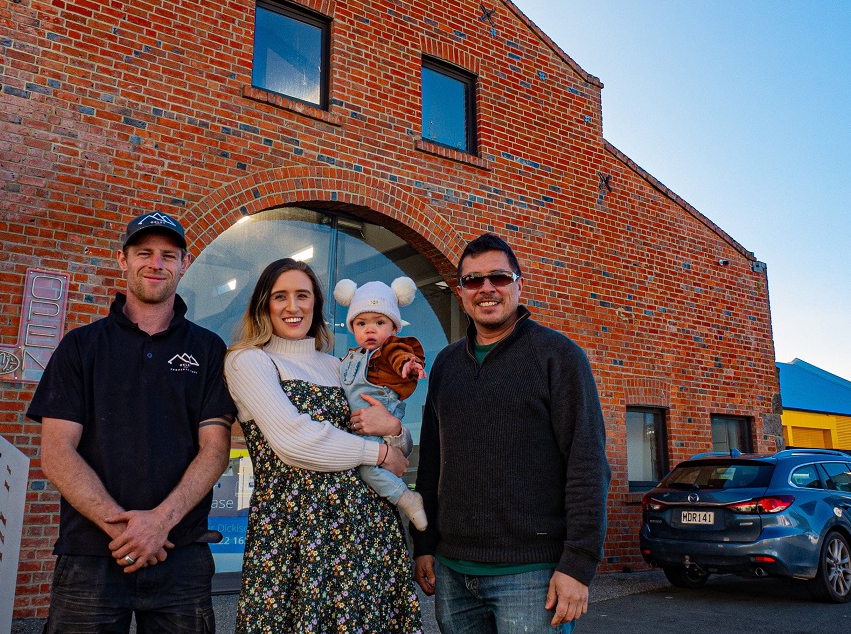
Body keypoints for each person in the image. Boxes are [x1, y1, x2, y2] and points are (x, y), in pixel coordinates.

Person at [26, 211, 236, 633]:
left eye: (168, 255)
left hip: (181, 552)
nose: (156, 263)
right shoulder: (80, 347)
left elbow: (215, 449)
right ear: (122, 260)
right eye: (144, 253)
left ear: (184, 263)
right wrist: (127, 530)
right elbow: (56, 451)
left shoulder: (209, 350)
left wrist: (160, 523)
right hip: (91, 554)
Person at [413, 233, 610, 633]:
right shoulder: (447, 365)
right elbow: (432, 462)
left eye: (499, 277)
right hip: (452, 573)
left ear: (519, 285)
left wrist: (578, 563)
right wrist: (425, 545)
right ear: (461, 292)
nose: (486, 288)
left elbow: (587, 463)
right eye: (473, 280)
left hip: (532, 575)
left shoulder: (558, 356)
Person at [225, 258, 422, 634]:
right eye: (280, 296)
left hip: (368, 534)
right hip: (298, 539)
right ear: (264, 304)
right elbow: (294, 440)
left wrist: (394, 429)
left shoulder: (340, 366)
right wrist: (379, 453)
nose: (293, 306)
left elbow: (399, 446)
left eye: (303, 295)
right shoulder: (249, 360)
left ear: (316, 304)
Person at [332, 275, 429, 530]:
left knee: (368, 470)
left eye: (379, 322)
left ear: (394, 328)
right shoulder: (351, 357)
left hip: (378, 424)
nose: (370, 329)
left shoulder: (388, 350)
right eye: (361, 323)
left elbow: (400, 356)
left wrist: (409, 365)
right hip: (358, 429)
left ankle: (407, 499)